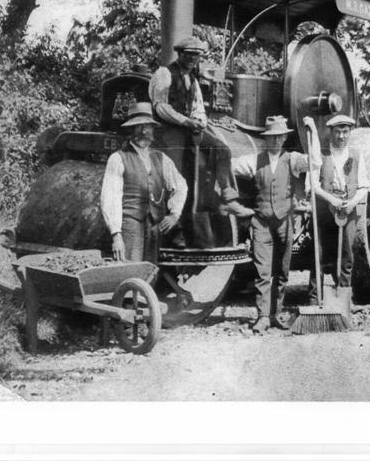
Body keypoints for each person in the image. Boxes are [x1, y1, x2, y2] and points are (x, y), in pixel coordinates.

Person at [148, 36, 250, 235]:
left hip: (189, 129)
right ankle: (174, 225)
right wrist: (185, 121)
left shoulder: (193, 79)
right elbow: (160, 106)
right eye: (190, 55)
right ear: (180, 54)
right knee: (177, 176)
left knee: (221, 149)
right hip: (169, 130)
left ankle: (228, 198)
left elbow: (198, 107)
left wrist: (199, 121)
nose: (193, 59)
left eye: (197, 56)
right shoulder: (164, 74)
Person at [228, 115, 322, 332]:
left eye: (280, 136)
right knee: (262, 272)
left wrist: (314, 132)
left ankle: (276, 314)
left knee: (282, 271)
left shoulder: (292, 159)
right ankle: (262, 316)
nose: (276, 141)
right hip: (261, 223)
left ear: (284, 138)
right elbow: (230, 166)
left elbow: (315, 163)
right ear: (266, 139)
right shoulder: (253, 160)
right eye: (272, 137)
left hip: (284, 222)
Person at [100, 103, 188, 262]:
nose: (144, 131)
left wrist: (174, 214)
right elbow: (110, 198)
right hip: (130, 227)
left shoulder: (161, 159)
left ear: (153, 130)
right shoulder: (118, 158)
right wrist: (116, 235)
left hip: (155, 227)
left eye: (148, 126)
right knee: (130, 270)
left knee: (150, 272)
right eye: (139, 126)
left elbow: (180, 186)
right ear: (131, 130)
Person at [308, 114, 370, 300]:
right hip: (324, 211)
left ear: (350, 132)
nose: (341, 136)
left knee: (347, 256)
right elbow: (312, 186)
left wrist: (352, 202)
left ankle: (342, 297)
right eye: (337, 132)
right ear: (331, 133)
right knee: (318, 253)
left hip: (348, 210)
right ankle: (314, 298)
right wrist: (330, 200)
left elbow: (364, 185)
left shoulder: (356, 155)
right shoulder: (320, 155)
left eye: (345, 132)